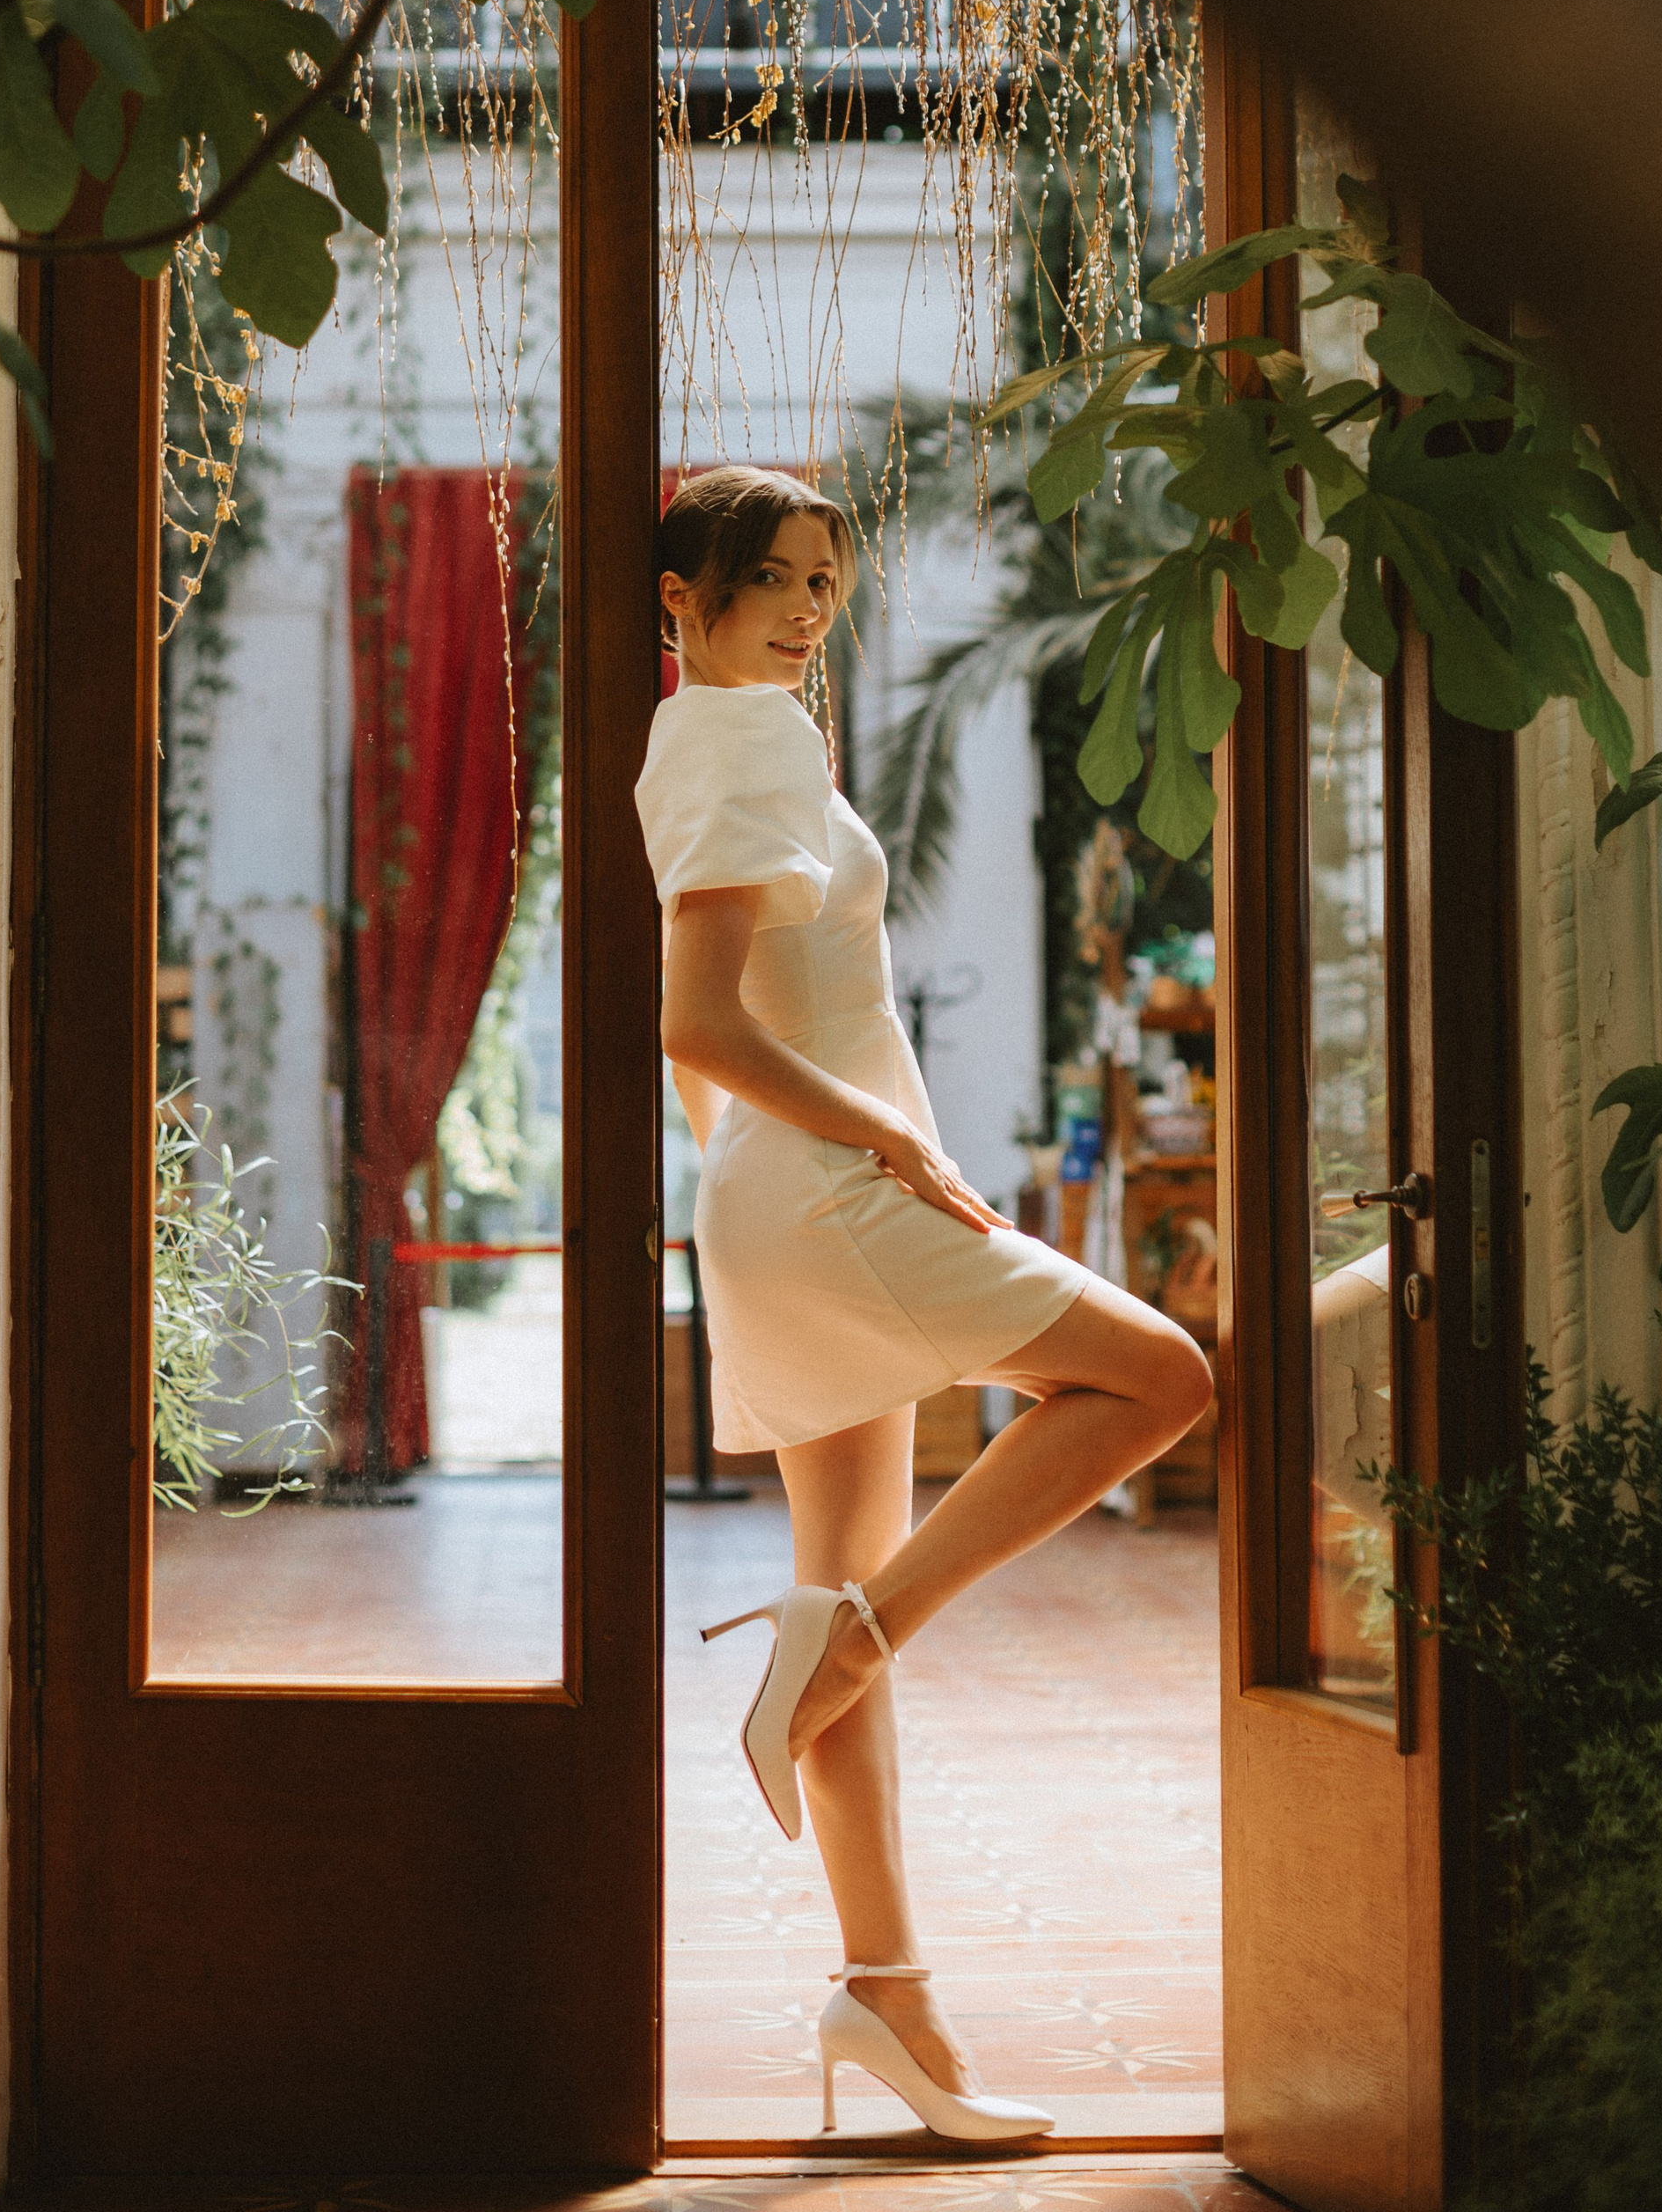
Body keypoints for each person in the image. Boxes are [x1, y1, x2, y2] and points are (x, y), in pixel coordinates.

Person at [636, 464, 1215, 2144]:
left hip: (784, 1192)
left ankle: (886, 2002)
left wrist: (763, 1171)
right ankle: (855, 1643)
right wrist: (887, 1131)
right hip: (836, 1194)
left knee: (827, 1584)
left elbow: (714, 1033)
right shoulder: (744, 740)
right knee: (1160, 1378)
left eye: (826, 578)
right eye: (773, 579)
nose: (810, 607)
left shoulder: (702, 738)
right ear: (684, 595)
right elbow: (699, 1022)